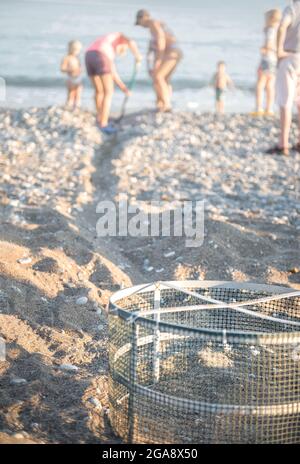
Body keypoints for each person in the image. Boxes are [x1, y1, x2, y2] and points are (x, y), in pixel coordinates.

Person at [85, 33, 142, 134]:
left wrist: (123, 88)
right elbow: (131, 41)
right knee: (108, 93)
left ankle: (99, 117)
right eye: (122, 50)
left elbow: (113, 73)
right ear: (122, 44)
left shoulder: (104, 42)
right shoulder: (118, 37)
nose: (119, 52)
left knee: (99, 91)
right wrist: (137, 55)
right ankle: (103, 123)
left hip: (88, 55)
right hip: (100, 56)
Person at [267, 0, 300, 156]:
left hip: (289, 55)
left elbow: (282, 27)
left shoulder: (292, 8)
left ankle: (283, 144)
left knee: (285, 102)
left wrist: (278, 50)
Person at [135, 9, 183, 112]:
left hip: (171, 52)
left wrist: (158, 61)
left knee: (158, 77)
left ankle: (166, 104)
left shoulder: (153, 23)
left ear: (143, 17)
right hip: (174, 52)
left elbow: (161, 40)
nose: (141, 26)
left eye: (139, 23)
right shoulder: (155, 27)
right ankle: (161, 103)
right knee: (163, 79)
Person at [252, 9, 282, 117]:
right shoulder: (280, 30)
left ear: (269, 19)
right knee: (270, 85)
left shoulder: (270, 30)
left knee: (260, 85)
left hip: (266, 59)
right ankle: (269, 109)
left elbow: (269, 44)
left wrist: (264, 48)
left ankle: (259, 108)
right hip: (274, 60)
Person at [61, 40, 83, 110]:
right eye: (75, 50)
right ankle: (69, 105)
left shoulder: (77, 58)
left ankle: (77, 106)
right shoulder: (67, 58)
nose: (77, 52)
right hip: (70, 77)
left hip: (78, 77)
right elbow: (62, 69)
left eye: (78, 50)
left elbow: (79, 67)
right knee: (71, 93)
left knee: (78, 92)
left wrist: (80, 69)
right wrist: (70, 69)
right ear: (70, 49)